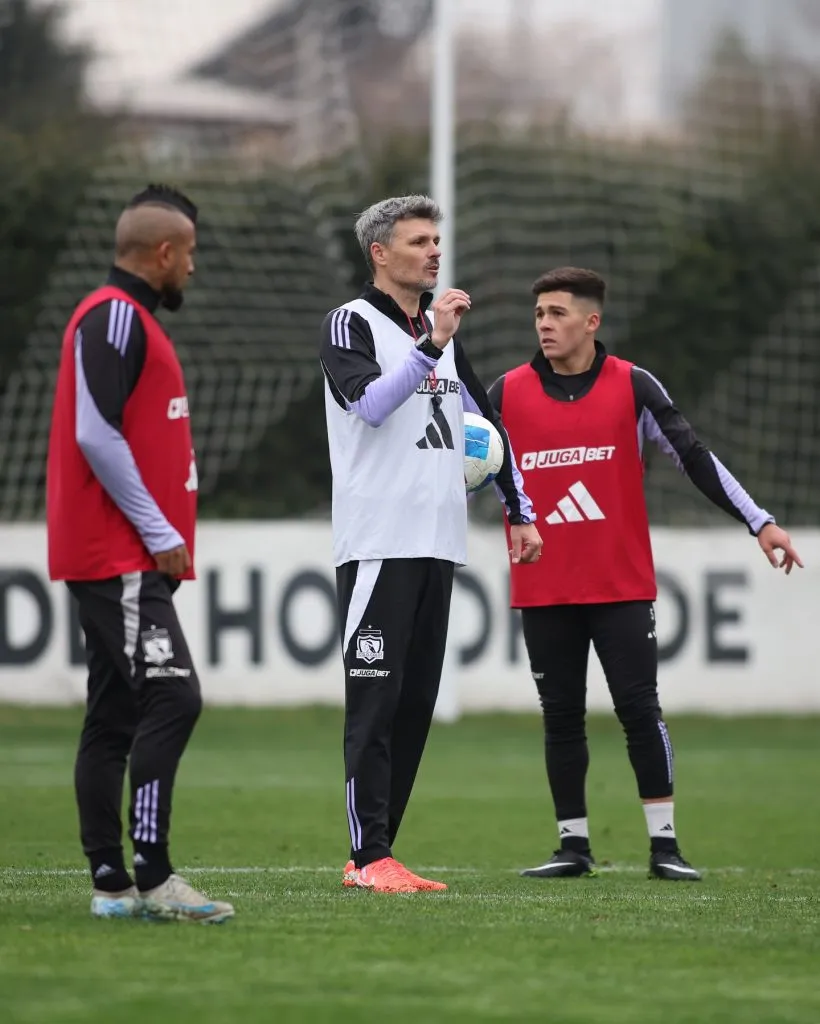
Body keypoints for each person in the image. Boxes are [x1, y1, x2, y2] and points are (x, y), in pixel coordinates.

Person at [490, 266, 803, 882]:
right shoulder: (504, 393)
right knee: (560, 714)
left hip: (620, 585)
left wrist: (759, 521)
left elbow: (694, 457)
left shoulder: (632, 386)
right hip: (544, 585)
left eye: (557, 313)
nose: (544, 324)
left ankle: (665, 847)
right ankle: (571, 846)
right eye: (539, 314)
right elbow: (475, 466)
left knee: (639, 709)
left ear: (591, 321)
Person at [320, 194, 543, 893]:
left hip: (438, 542)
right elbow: (371, 404)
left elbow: (489, 426)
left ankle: (382, 853)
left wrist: (519, 509)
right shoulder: (351, 323)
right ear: (380, 253)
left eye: (437, 240)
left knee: (414, 707)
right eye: (419, 241)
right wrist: (432, 345)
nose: (435, 251)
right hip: (379, 541)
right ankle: (365, 858)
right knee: (374, 704)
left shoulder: (438, 338)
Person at [46, 184, 234, 922]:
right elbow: (97, 432)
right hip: (117, 553)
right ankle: (153, 875)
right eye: (186, 253)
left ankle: (111, 885)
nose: (191, 266)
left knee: (116, 711)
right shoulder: (115, 316)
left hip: (114, 553)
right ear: (162, 253)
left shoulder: (129, 321)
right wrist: (159, 533)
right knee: (174, 696)